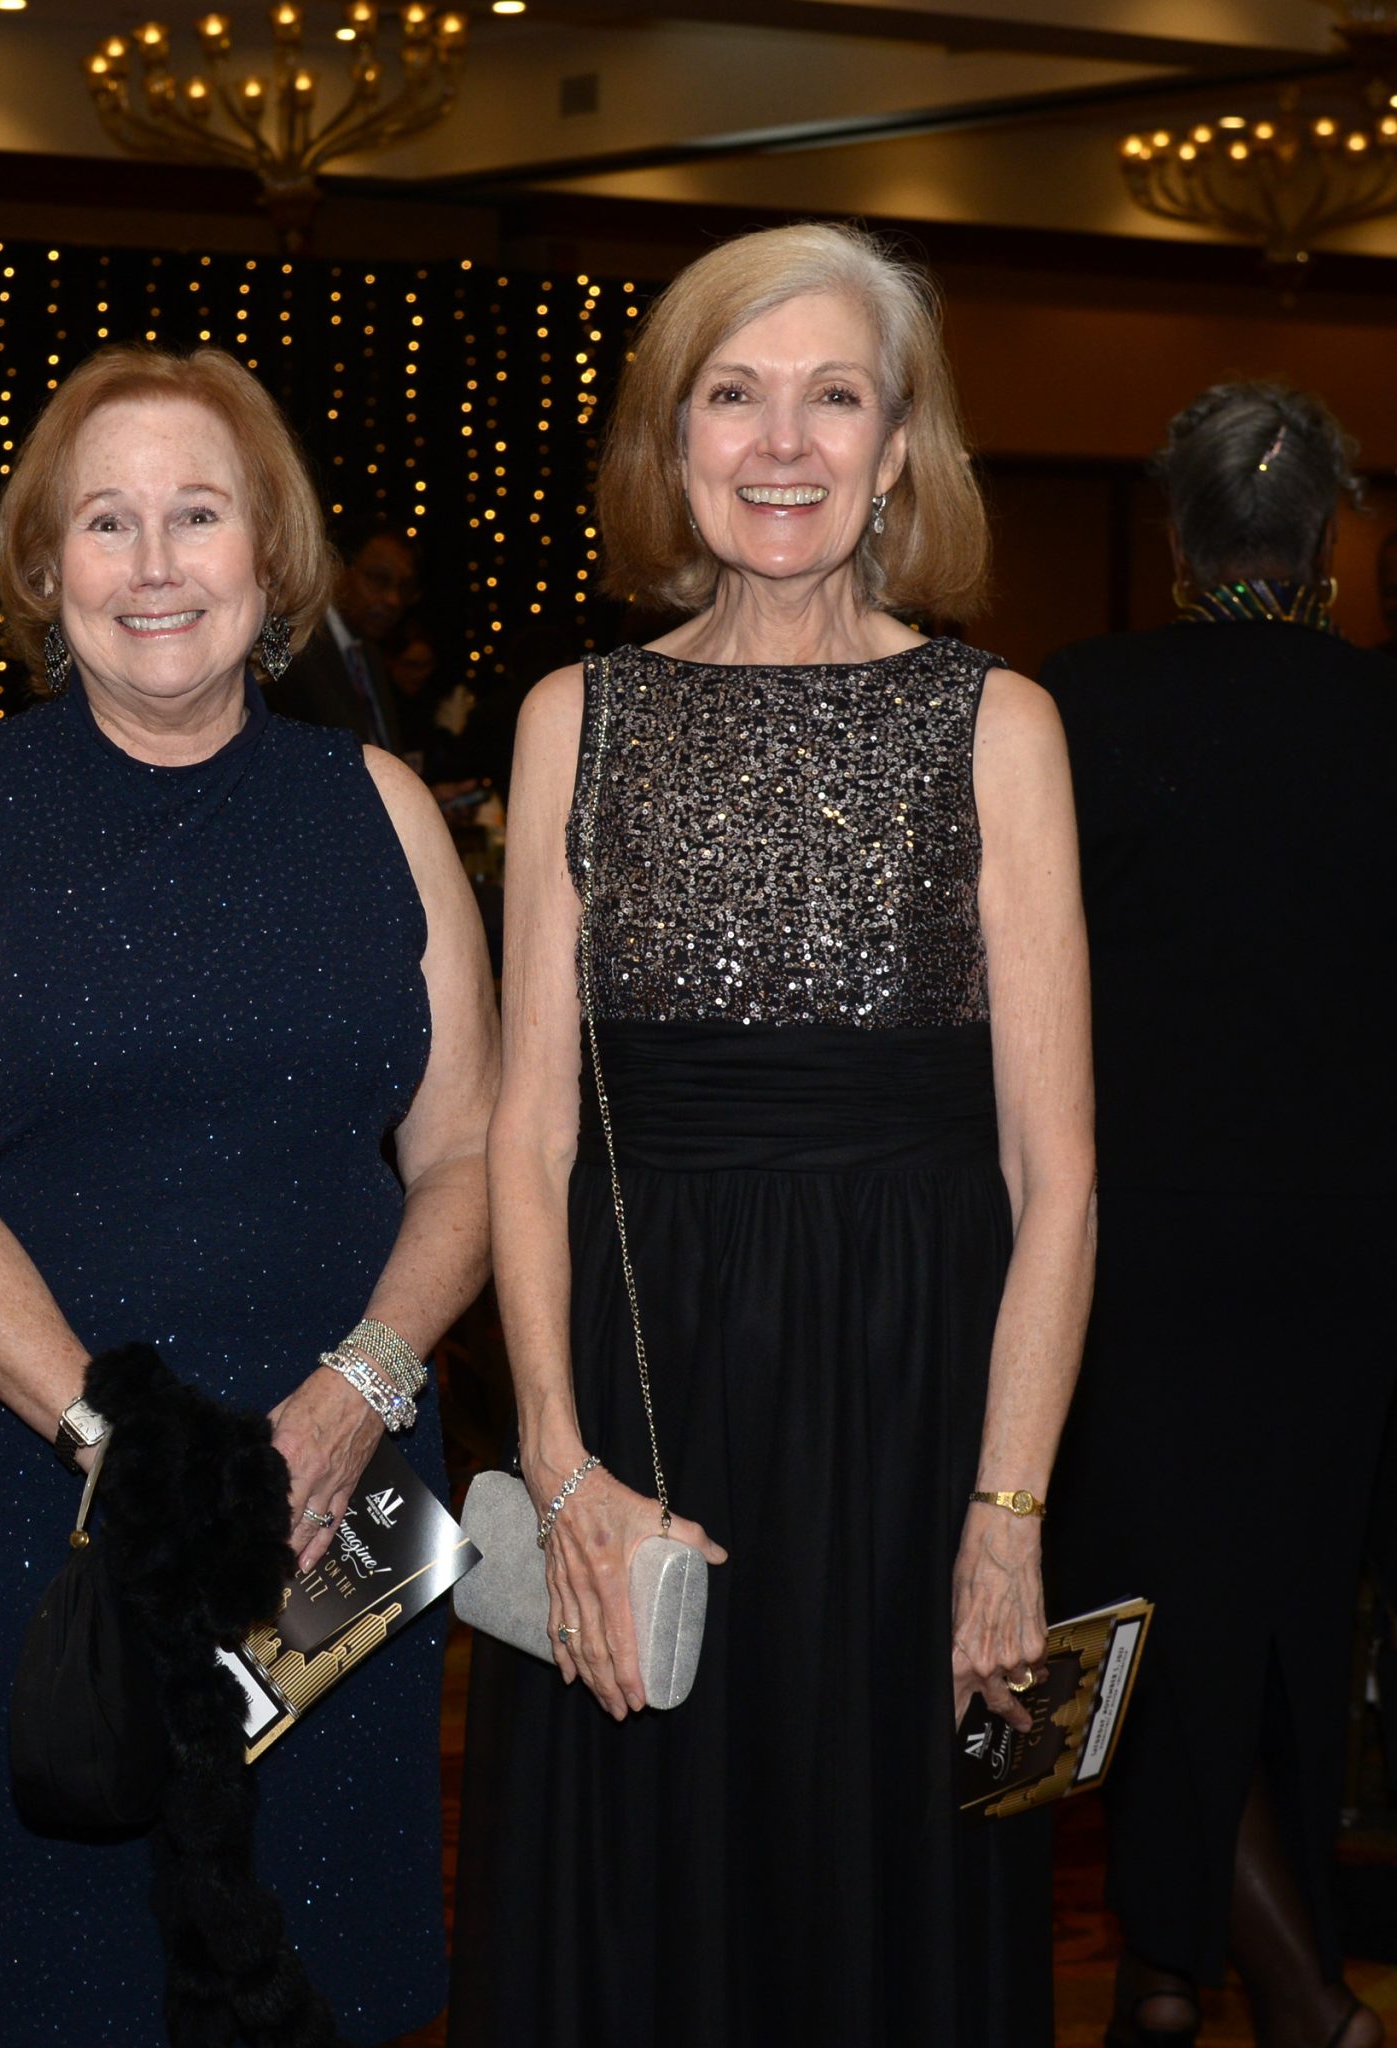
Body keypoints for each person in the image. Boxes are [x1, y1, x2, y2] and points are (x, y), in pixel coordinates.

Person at [450, 221, 1095, 2046]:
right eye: (734, 396)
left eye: (836, 398)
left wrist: (1007, 1515)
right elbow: (525, 1136)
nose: (784, 443)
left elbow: (1057, 1179)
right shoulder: (575, 717)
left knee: (879, 1896)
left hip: (916, 1417)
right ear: (674, 443)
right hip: (641, 1407)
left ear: (899, 449)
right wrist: (558, 1469)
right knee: (636, 1895)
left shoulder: (1001, 726)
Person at [0, 344, 498, 2045]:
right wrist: (120, 1447)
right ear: (44, 567)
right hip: (41, 1481)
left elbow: (471, 1153)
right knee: (55, 1972)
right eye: (106, 521)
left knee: (322, 1950)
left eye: (196, 515)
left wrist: (361, 1389)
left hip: (341, 1490)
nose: (153, 564)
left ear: (269, 554)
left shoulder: (384, 808)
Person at [1044, 383, 1396, 2048]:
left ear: (1177, 540)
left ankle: (1228, 1975)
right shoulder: (1382, 714)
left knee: (1137, 1598)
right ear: (1326, 543)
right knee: (1291, 1611)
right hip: (1349, 1238)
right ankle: (1199, 1967)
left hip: (1136, 1234)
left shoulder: (1075, 702)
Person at [263, 519, 417, 754]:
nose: (393, 600)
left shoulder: (369, 650)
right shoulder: (289, 638)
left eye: (404, 587)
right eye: (379, 579)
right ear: (336, 568)